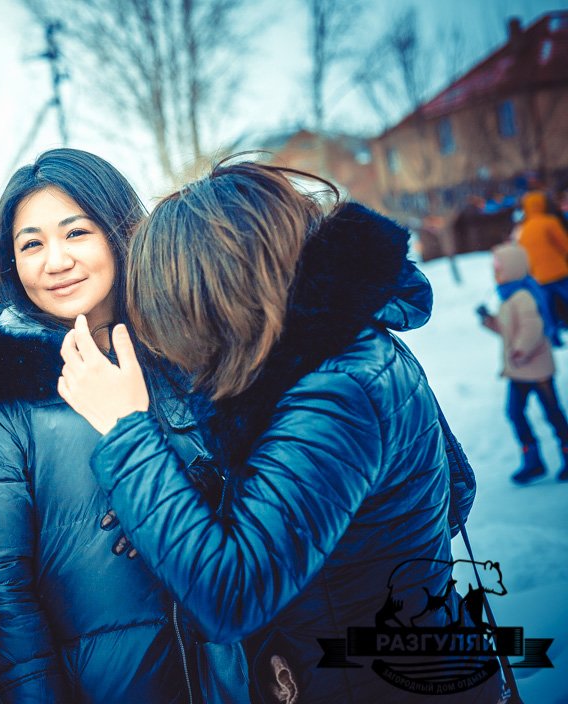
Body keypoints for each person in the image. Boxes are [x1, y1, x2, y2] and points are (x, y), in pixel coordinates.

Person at [57, 161, 506, 703]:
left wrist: (126, 430)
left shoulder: (338, 389)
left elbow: (230, 597)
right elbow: (444, 497)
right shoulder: (336, 347)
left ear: (219, 290)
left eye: (173, 309)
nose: (176, 338)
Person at [0, 148, 248, 703]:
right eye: (31, 244)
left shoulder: (191, 349)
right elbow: (4, 597)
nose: (56, 261)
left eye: (76, 232)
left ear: (119, 232)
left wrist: (165, 499)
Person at [479, 243, 568, 483]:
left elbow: (533, 327)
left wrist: (521, 349)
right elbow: (508, 330)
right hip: (519, 370)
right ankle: (532, 459)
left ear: (513, 267)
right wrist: (489, 320)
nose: (495, 273)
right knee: (515, 412)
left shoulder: (524, 295)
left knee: (552, 412)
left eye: (499, 268)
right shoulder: (508, 296)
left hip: (537, 367)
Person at [515, 191, 568, 326]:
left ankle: (553, 333)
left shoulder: (523, 228)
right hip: (558, 271)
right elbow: (565, 244)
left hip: (538, 276)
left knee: (548, 308)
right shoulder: (549, 221)